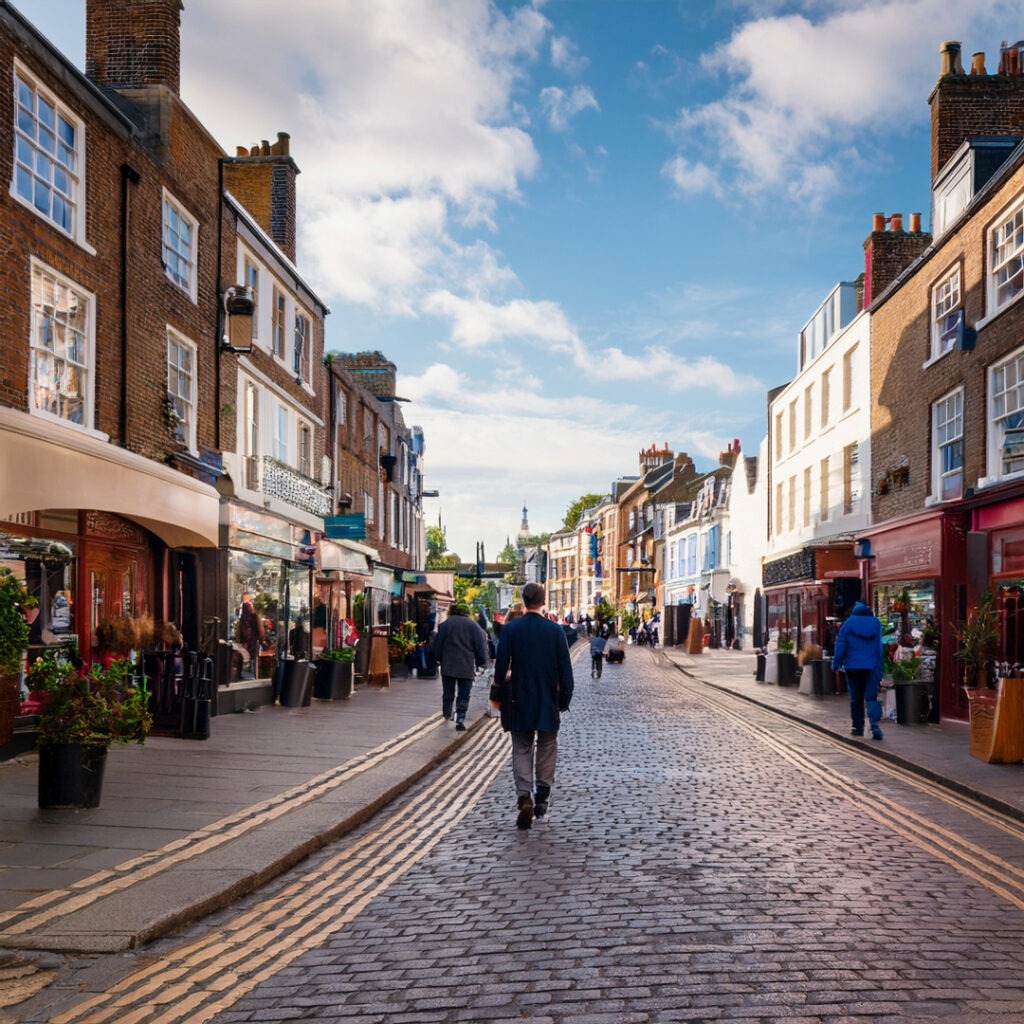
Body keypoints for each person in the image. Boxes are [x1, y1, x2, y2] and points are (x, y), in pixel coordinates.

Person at [492, 582, 574, 830]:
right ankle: (542, 798)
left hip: (518, 698)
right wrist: (563, 701)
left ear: (525, 601)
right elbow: (566, 674)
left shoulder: (510, 630)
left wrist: (504, 681)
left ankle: (524, 795)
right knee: (548, 746)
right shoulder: (555, 631)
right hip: (548, 698)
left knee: (522, 747)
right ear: (542, 601)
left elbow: (499, 670)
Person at [832, 601, 886, 740]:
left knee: (856, 698)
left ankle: (857, 727)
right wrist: (880, 667)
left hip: (853, 667)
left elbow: (841, 646)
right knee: (871, 697)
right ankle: (874, 725)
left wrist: (836, 664)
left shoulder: (847, 624)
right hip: (871, 666)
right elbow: (879, 647)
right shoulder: (876, 624)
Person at [432, 603, 488, 731]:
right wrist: (482, 663)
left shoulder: (445, 625)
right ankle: (460, 718)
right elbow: (480, 646)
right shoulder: (474, 626)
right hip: (466, 666)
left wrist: (437, 659)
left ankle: (447, 713)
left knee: (448, 692)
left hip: (448, 665)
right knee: (464, 694)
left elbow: (438, 645)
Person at [237, 599, 263, 679]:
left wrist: (241, 641)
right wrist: (261, 640)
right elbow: (260, 630)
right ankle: (253, 673)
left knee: (244, 658)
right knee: (253, 658)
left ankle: (243, 674)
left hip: (245, 642)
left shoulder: (242, 618)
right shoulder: (255, 616)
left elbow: (240, 631)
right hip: (254, 641)